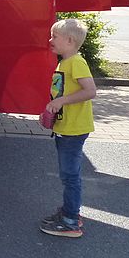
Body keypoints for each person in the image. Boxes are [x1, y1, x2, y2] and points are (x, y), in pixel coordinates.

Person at [39, 18, 96, 238]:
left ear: (70, 40)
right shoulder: (64, 62)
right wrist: (52, 109)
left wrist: (61, 102)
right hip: (66, 127)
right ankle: (68, 212)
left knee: (70, 176)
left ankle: (71, 221)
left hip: (74, 130)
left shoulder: (76, 62)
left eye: (55, 36)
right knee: (68, 174)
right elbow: (61, 93)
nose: (50, 39)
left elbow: (90, 91)